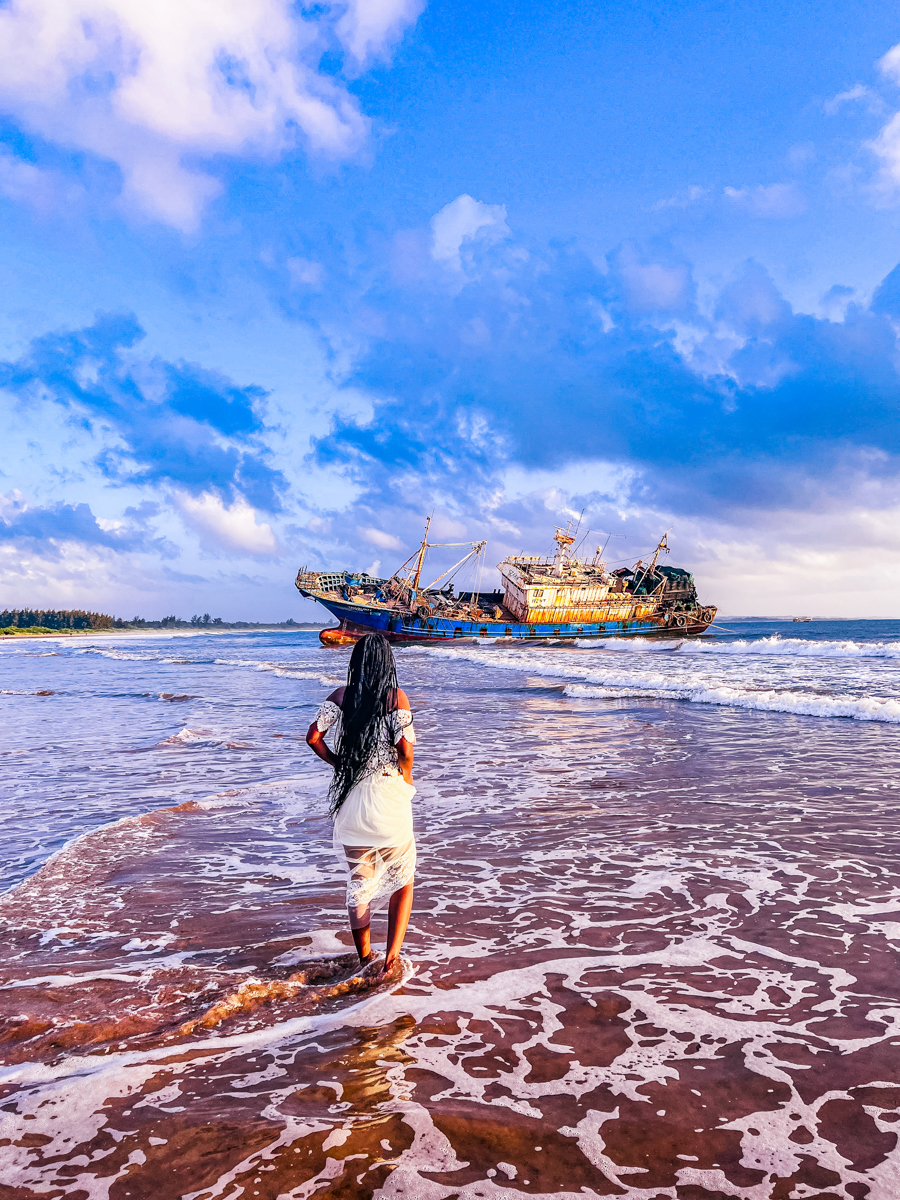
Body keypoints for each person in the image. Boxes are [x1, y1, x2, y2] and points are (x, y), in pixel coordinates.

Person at [306, 633, 417, 980]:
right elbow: (406, 750)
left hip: (352, 803)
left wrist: (340, 764)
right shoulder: (395, 697)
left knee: (360, 884)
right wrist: (407, 778)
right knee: (403, 881)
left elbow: (313, 736)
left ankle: (365, 957)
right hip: (387, 800)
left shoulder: (341, 696)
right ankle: (389, 962)